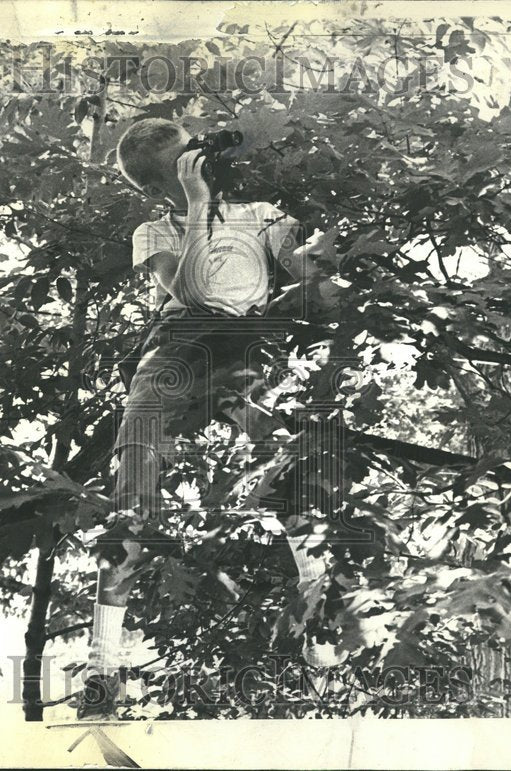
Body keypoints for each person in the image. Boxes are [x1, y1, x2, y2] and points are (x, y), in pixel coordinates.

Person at [79, 118, 344, 719]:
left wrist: (323, 242)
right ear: (163, 180)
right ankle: (103, 670)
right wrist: (197, 205)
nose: (203, 160)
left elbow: (314, 279)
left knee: (292, 459)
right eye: (185, 159)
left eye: (199, 151)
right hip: (176, 349)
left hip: (245, 347)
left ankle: (320, 624)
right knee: (131, 497)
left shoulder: (259, 213)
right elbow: (192, 291)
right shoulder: (155, 230)